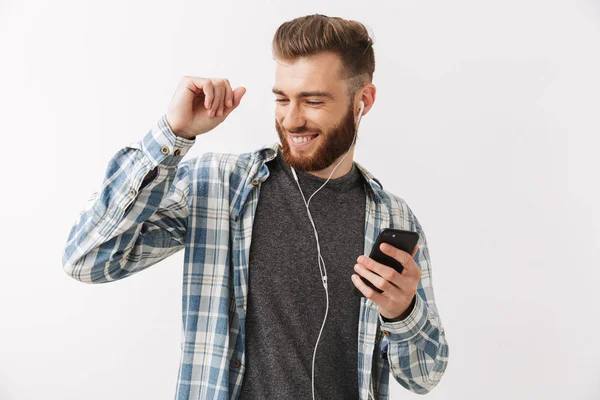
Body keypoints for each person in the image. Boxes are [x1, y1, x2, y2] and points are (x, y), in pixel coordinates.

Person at [62, 14, 448, 400]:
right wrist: (172, 134)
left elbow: (425, 376)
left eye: (313, 101)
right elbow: (87, 259)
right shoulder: (218, 186)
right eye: (282, 99)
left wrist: (403, 313)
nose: (291, 119)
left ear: (363, 101)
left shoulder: (393, 218)